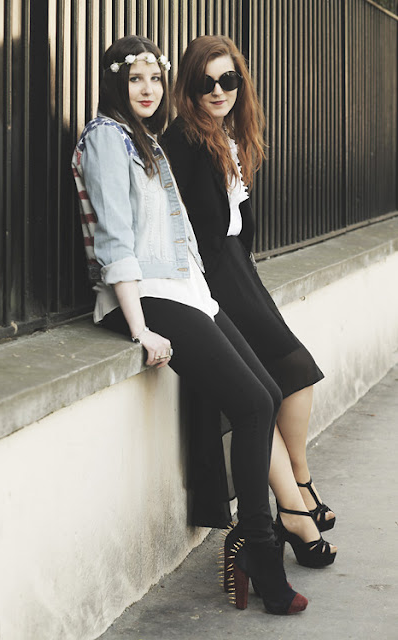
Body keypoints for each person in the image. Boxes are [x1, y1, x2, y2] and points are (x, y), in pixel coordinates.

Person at [72, 34, 308, 615]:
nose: (147, 89)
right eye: (134, 79)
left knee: (267, 394)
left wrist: (203, 298)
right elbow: (115, 240)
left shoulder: (147, 142)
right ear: (115, 83)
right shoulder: (106, 139)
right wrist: (139, 328)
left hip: (184, 290)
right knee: (251, 405)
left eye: (155, 79)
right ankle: (260, 549)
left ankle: (255, 542)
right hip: (146, 297)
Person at [162, 35, 337, 567]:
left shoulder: (226, 137)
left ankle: (299, 491)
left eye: (228, 80)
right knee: (277, 383)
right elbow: (187, 229)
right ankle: (295, 504)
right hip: (215, 281)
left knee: (285, 382)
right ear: (189, 87)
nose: (219, 90)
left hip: (240, 273)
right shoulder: (185, 140)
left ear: (241, 82)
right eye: (206, 82)